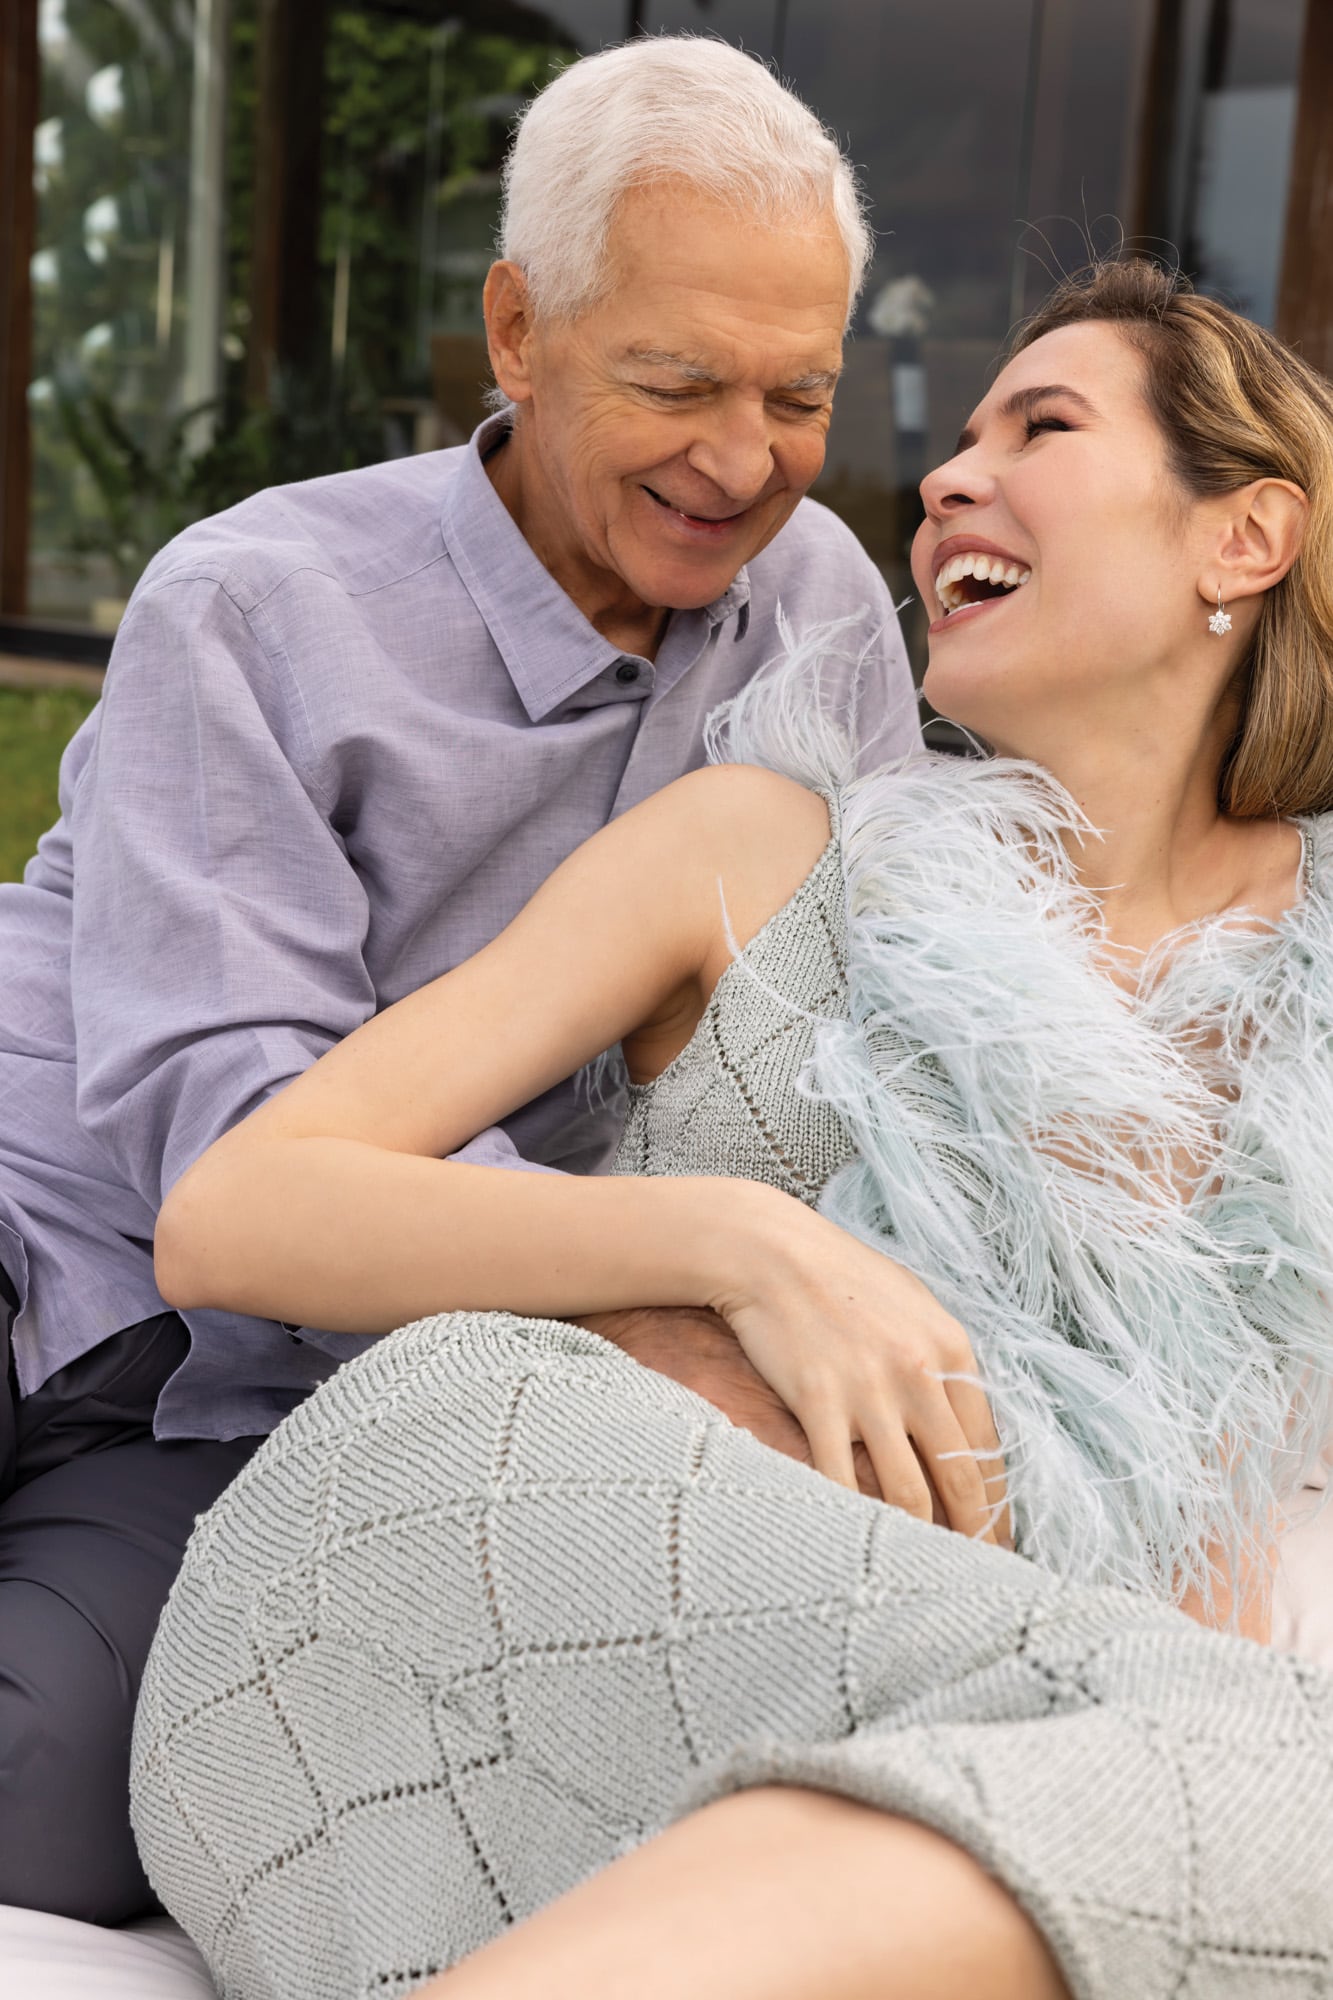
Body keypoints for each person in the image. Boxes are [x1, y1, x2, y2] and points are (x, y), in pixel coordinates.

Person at [130, 258, 1333, 2000]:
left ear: (1247, 538)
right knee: (1259, 1772)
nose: (941, 479)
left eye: (1043, 427)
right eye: (957, 437)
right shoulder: (765, 839)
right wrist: (738, 1240)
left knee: (1215, 1775)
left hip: (908, 1735)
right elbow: (238, 1211)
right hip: (469, 1546)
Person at [0, 37, 919, 1926]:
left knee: (57, 1813)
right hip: (53, 1227)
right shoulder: (255, 603)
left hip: (276, 1394)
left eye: (799, 395)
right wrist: (657, 1285)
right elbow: (230, 1159)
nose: (739, 460)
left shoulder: (822, 609)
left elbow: (872, 1031)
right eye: (673, 382)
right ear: (517, 332)